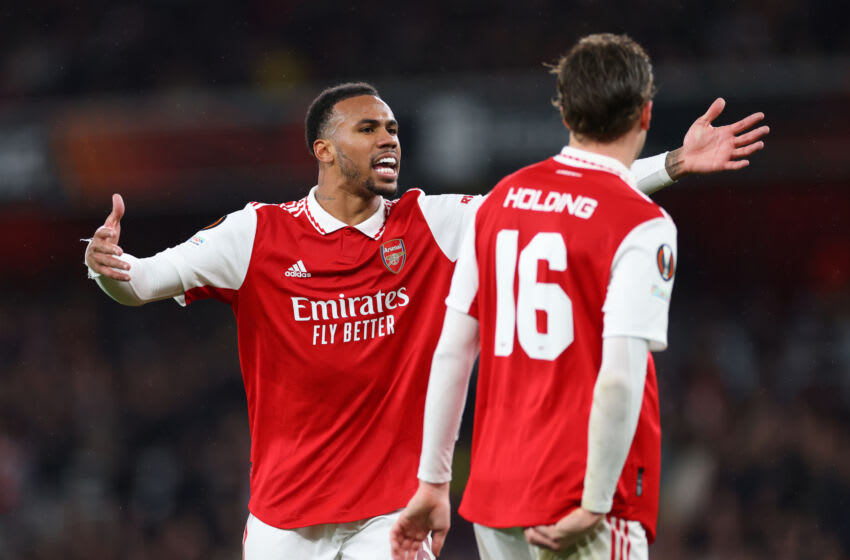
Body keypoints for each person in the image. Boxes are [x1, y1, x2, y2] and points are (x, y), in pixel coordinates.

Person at [84, 78, 767, 559]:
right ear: (323, 150)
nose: (390, 139)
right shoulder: (255, 235)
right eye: (368, 128)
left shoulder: (431, 224)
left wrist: (674, 162)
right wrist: (104, 265)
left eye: (394, 129)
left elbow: (555, 198)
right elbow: (139, 283)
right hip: (282, 517)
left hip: (392, 514)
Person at [390, 34, 752, 560]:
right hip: (584, 498)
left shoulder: (499, 203)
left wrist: (432, 483)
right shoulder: (644, 225)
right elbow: (620, 375)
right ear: (646, 113)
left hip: (497, 500)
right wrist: (595, 501)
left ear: (564, 112)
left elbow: (451, 352)